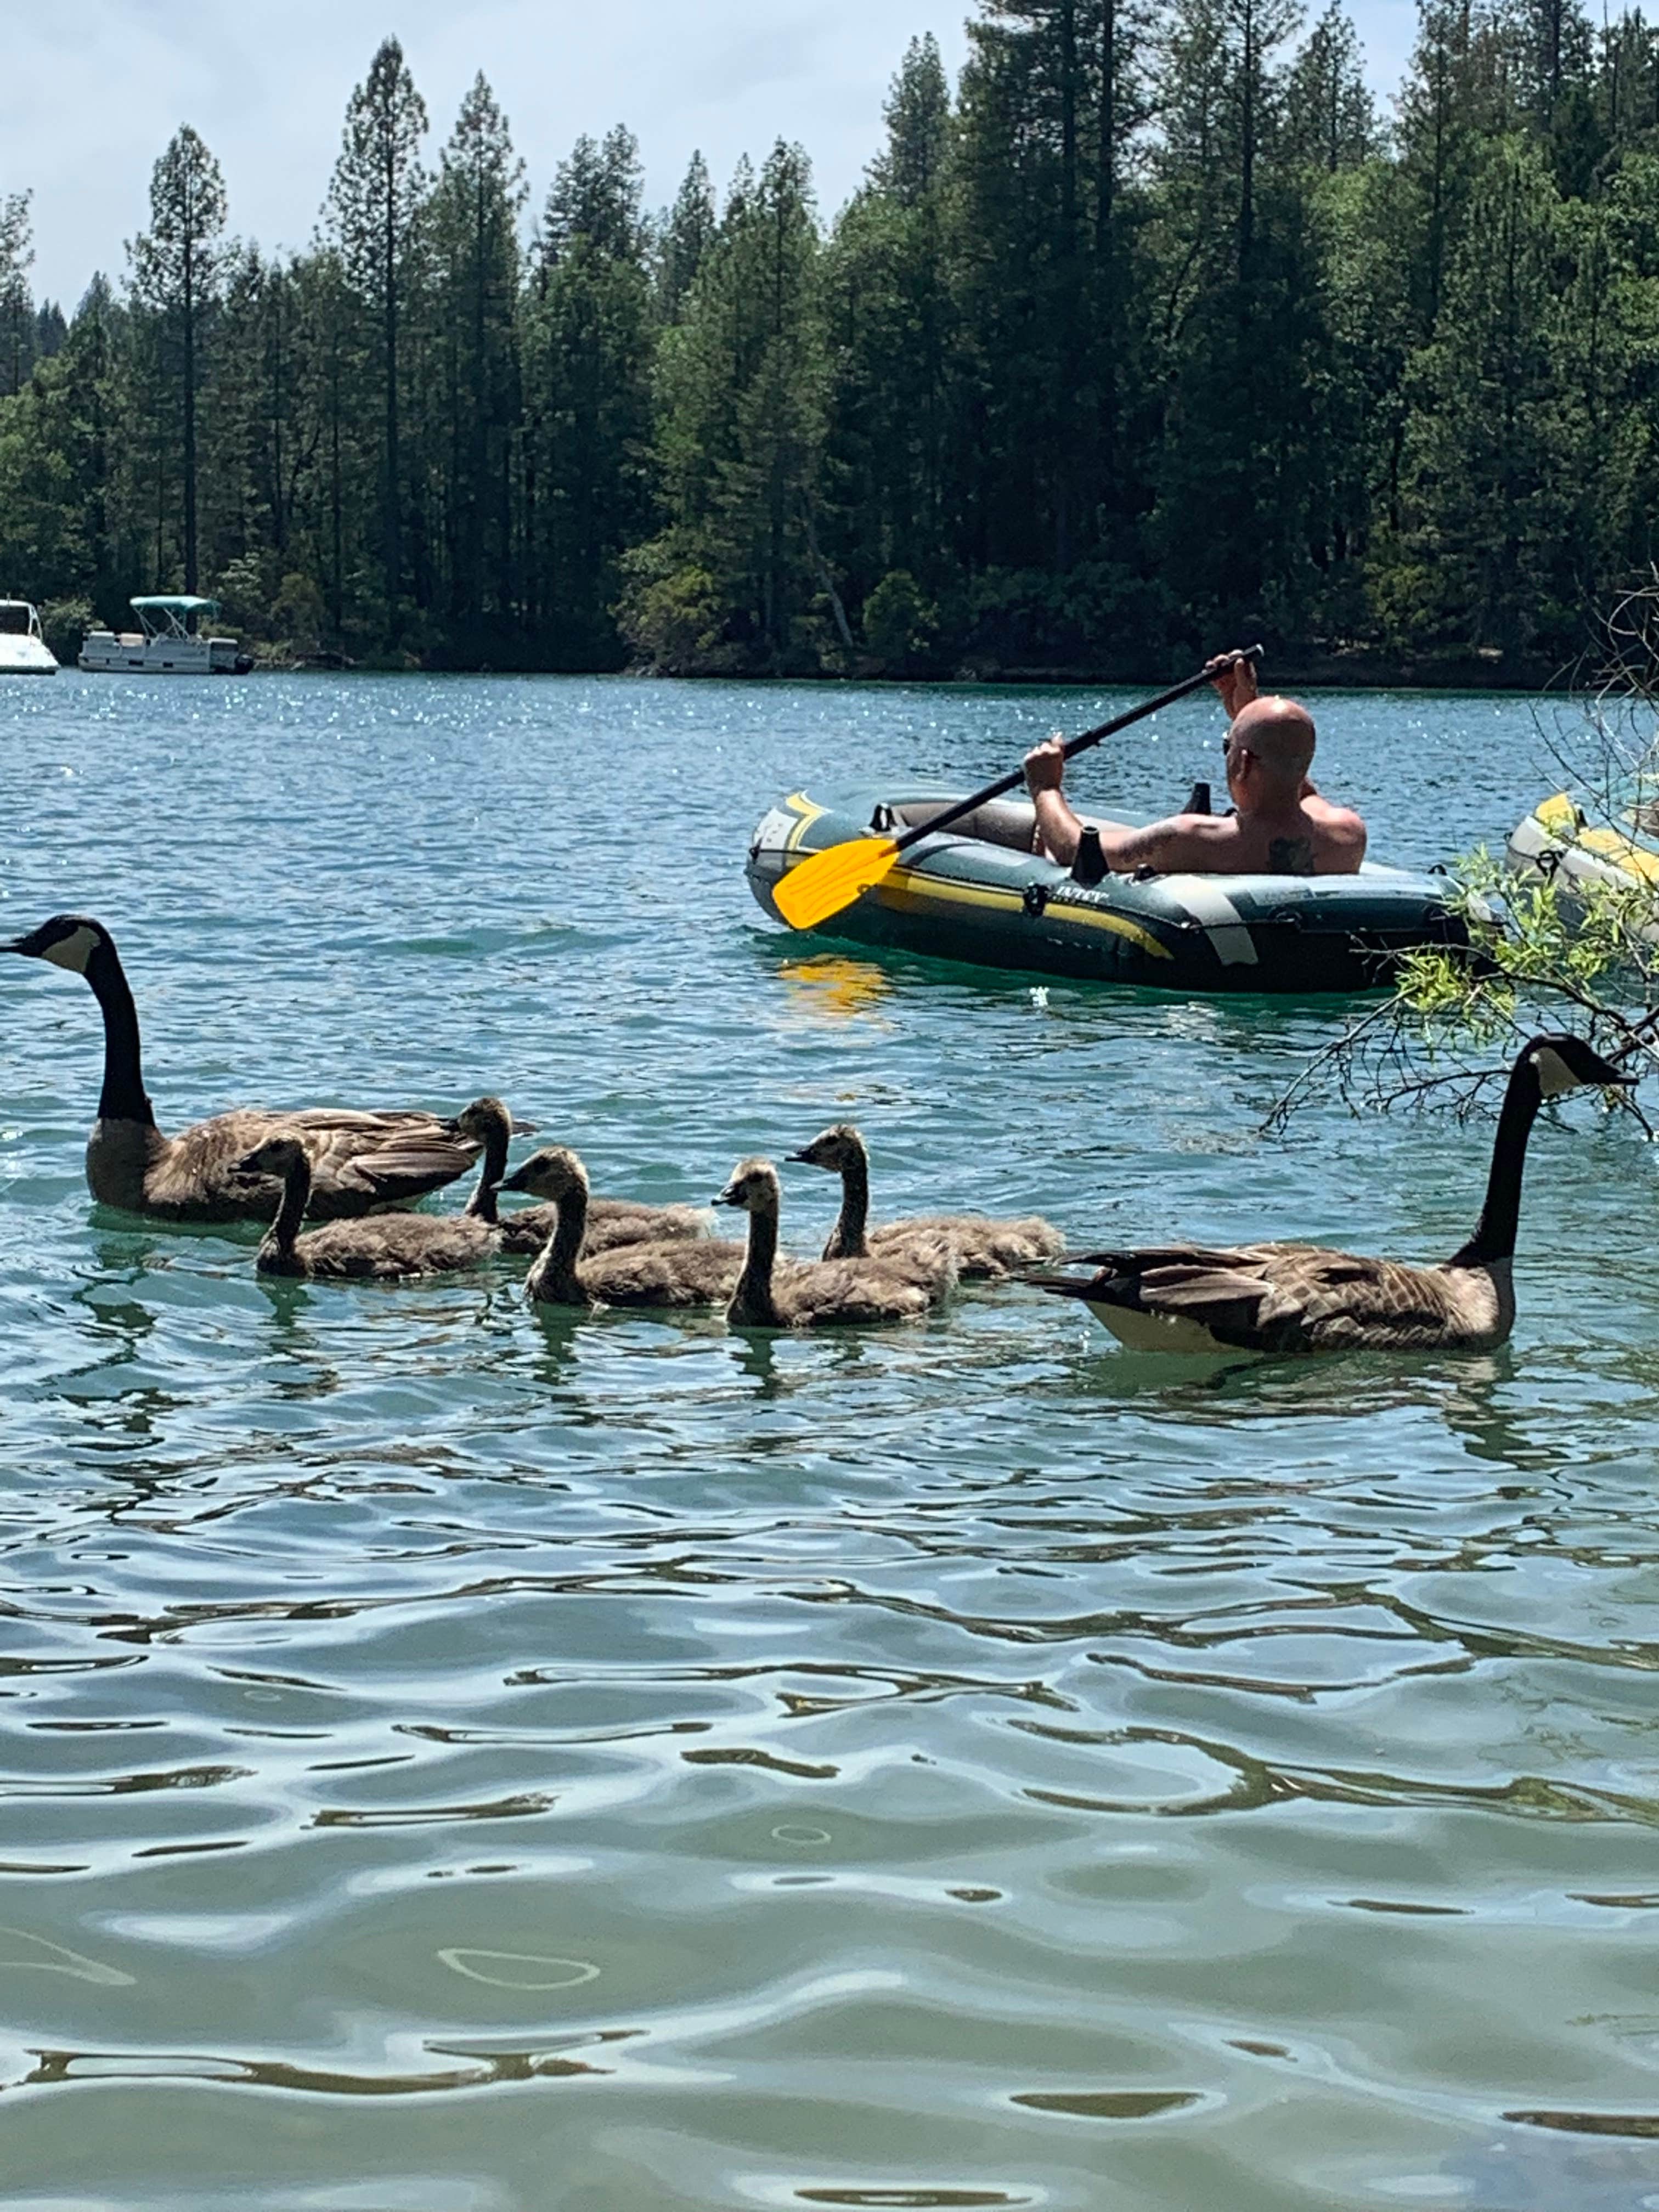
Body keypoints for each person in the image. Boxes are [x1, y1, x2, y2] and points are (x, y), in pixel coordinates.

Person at [1022, 650, 1367, 877]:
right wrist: (1246, 709)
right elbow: (1289, 772)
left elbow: (1076, 851)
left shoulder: (1191, 839)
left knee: (1042, 840)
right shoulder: (1348, 835)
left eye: (1228, 746)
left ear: (1243, 764)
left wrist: (1045, 786)